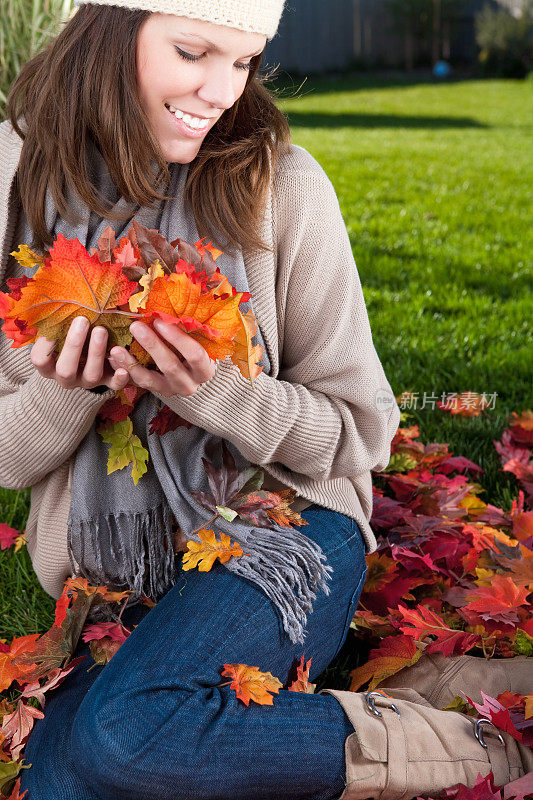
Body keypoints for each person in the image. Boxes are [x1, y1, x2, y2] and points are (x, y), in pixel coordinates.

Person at [0, 2, 529, 799]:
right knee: (64, 782)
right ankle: (413, 696)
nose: (220, 90)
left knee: (123, 739)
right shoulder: (14, 178)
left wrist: (215, 391)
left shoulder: (279, 182)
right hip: (113, 578)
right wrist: (67, 390)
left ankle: (484, 746)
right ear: (108, 31)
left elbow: (361, 433)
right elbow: (9, 460)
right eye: (193, 51)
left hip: (288, 529)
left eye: (244, 61)